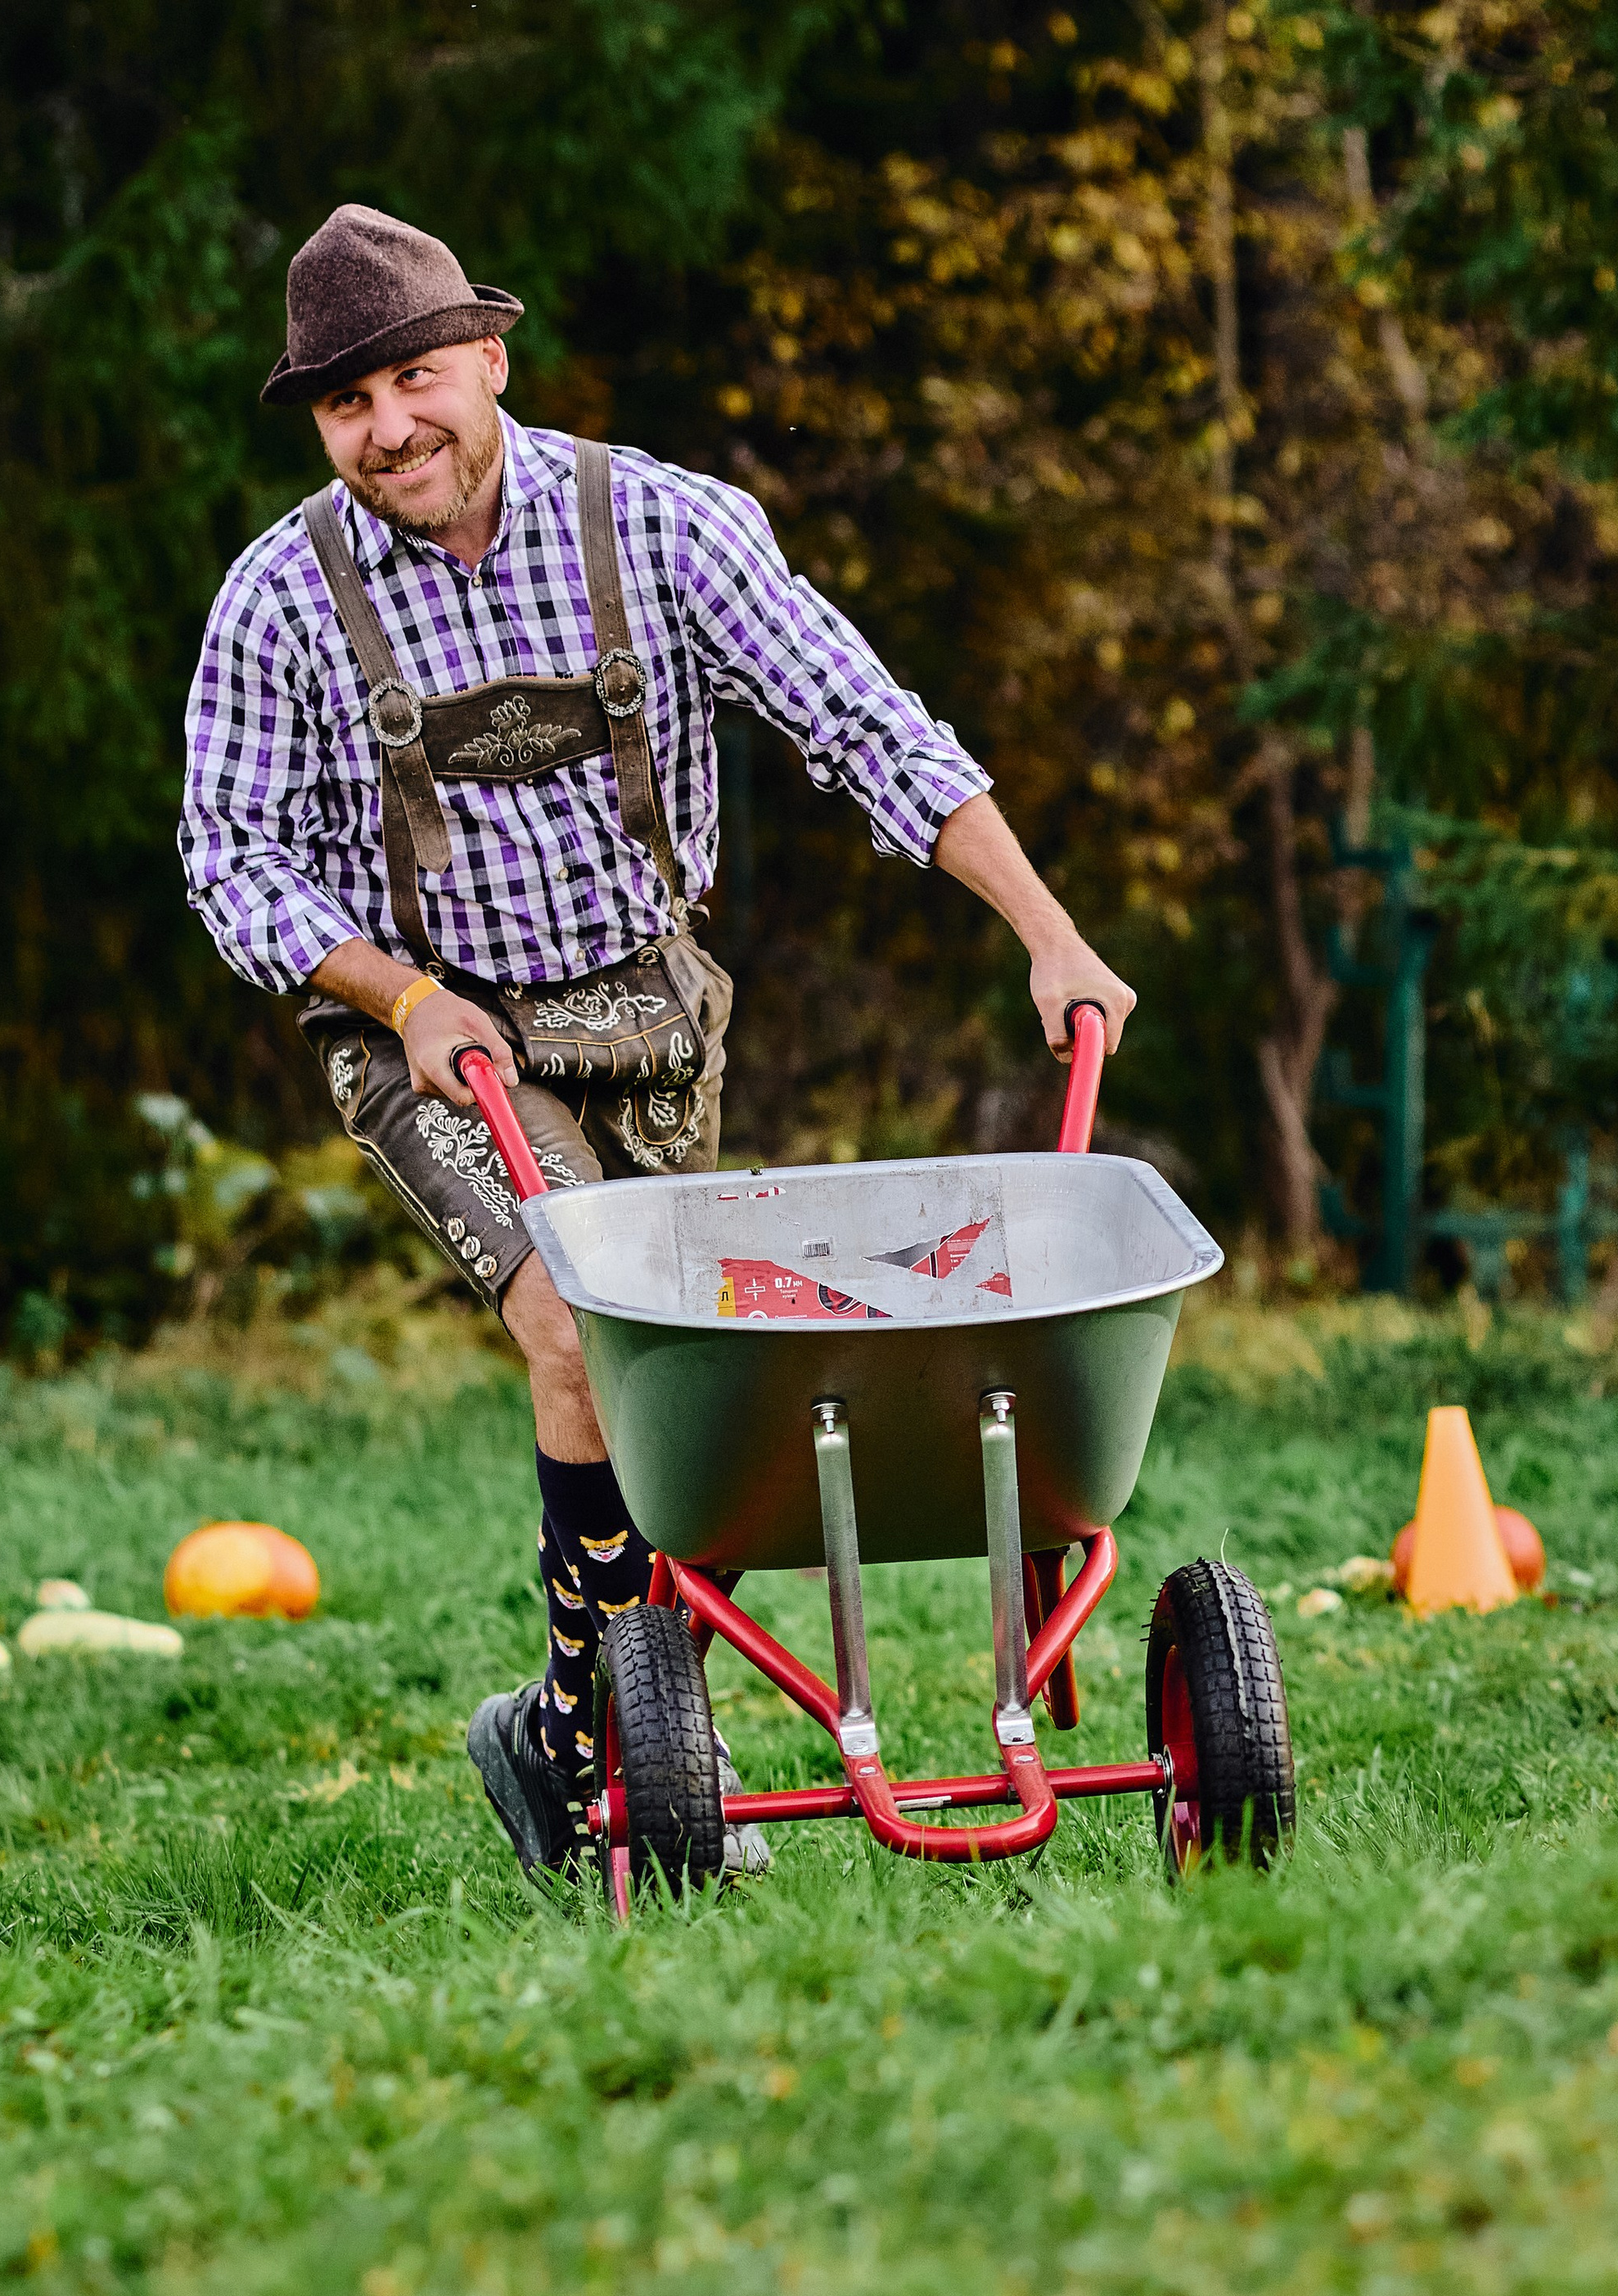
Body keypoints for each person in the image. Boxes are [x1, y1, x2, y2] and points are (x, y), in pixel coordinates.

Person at [182, 202, 1137, 1879]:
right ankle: (619, 1755)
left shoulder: (663, 530)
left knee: (702, 1398)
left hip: (644, 1014)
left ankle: (580, 1742)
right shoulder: (281, 601)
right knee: (577, 1326)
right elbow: (229, 856)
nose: (386, 427)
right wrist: (401, 1001)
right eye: (345, 404)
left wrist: (1047, 934)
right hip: (430, 1034)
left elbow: (860, 721)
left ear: (487, 357)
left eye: (412, 377)